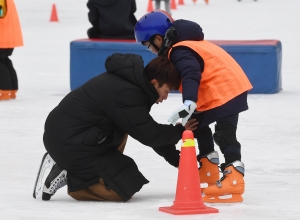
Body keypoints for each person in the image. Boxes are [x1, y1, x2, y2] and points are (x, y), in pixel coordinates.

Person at [33, 53, 198, 202]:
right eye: (166, 91)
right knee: (119, 191)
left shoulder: (131, 84)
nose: (165, 97)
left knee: (125, 150)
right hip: (69, 143)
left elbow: (143, 130)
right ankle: (68, 172)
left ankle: (74, 166)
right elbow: (149, 134)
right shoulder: (128, 93)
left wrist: (177, 160)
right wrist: (179, 132)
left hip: (73, 136)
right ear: (154, 82)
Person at [134, 10, 253, 203]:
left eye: (149, 47)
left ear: (158, 39)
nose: (152, 52)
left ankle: (234, 178)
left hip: (227, 89)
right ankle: (208, 169)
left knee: (224, 133)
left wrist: (189, 100)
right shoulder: (185, 44)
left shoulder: (179, 50)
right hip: (219, 89)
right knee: (195, 121)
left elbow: (191, 72)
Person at [0, 0, 23, 100]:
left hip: (2, 37)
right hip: (9, 37)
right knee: (5, 61)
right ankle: (12, 90)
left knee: (1, 63)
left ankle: (4, 91)